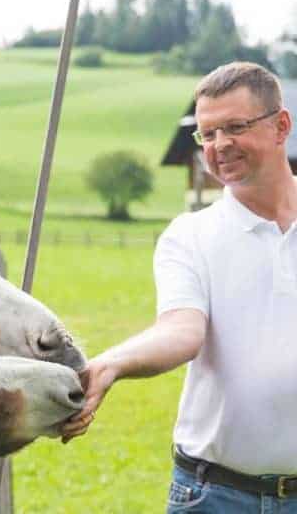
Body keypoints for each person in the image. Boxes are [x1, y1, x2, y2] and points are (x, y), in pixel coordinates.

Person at [62, 61, 297, 512]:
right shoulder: (190, 236)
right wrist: (111, 364)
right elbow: (181, 331)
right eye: (207, 134)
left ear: (281, 126)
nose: (220, 145)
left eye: (236, 127)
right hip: (216, 496)